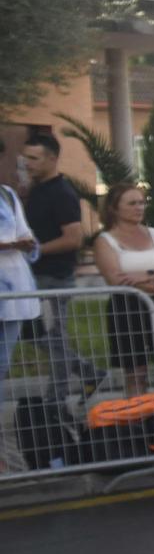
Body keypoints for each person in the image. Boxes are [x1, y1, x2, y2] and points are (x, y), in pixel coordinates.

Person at [18, 132, 104, 406]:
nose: (27, 164)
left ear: (52, 159)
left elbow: (74, 238)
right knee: (31, 333)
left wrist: (35, 250)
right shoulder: (35, 190)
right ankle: (89, 371)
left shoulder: (62, 193)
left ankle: (54, 403)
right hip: (35, 278)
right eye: (25, 158)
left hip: (54, 278)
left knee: (55, 340)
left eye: (33, 158)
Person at [90, 182, 154, 387]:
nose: (139, 208)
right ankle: (138, 418)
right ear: (114, 208)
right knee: (136, 373)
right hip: (128, 309)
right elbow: (117, 280)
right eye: (132, 203)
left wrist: (146, 275)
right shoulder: (105, 241)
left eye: (142, 203)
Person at [0, 175, 40, 439]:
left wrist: (28, 243)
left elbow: (25, 234)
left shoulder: (7, 194)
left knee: (2, 366)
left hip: (12, 295)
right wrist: (11, 245)